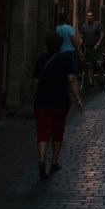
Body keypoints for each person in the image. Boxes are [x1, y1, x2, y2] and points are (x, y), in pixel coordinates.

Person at [32, 32, 83, 179]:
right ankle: (54, 161)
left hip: (42, 101)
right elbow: (71, 79)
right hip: (60, 100)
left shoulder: (41, 60)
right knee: (58, 130)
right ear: (60, 45)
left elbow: (35, 82)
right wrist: (78, 98)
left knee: (43, 132)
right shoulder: (65, 59)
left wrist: (34, 97)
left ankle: (42, 159)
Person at [80, 10, 104, 89]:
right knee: (89, 66)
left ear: (93, 16)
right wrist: (78, 47)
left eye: (90, 15)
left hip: (97, 48)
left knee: (99, 64)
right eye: (88, 16)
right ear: (86, 17)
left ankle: (101, 80)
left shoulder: (98, 25)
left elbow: (102, 34)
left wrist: (97, 44)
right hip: (89, 48)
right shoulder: (84, 26)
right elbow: (82, 38)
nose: (89, 17)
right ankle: (90, 83)